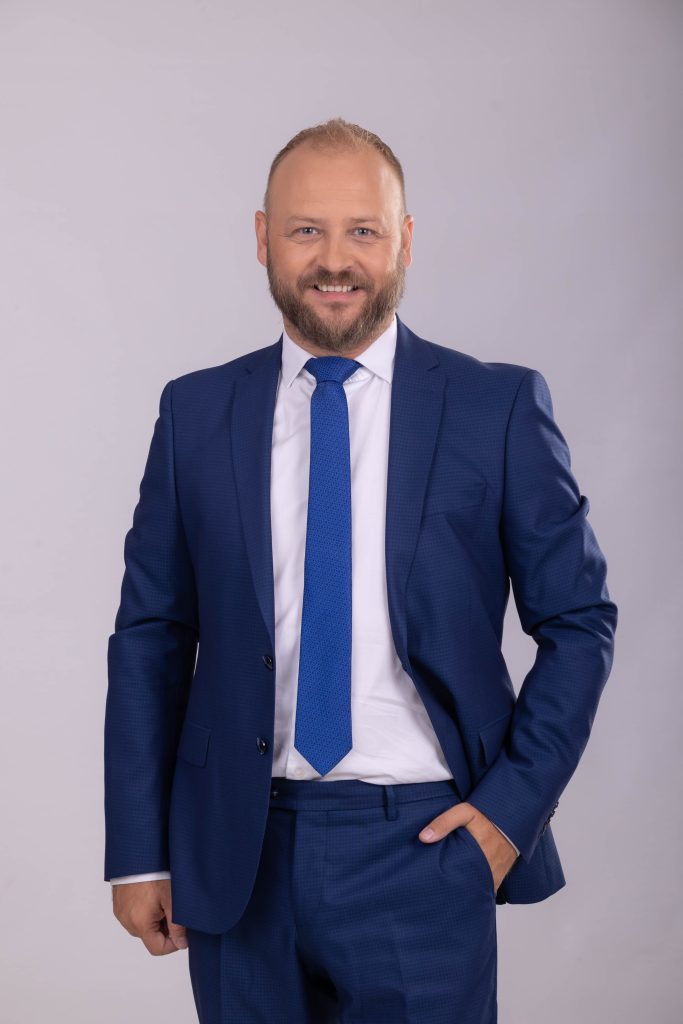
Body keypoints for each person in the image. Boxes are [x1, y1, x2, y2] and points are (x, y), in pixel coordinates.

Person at [104, 117, 618, 1022]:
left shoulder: (494, 408)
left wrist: (508, 813)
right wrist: (139, 851)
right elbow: (152, 637)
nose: (334, 260)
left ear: (404, 241)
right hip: (236, 850)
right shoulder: (195, 413)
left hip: (425, 847)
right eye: (306, 230)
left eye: (363, 231)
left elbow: (578, 624)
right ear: (263, 238)